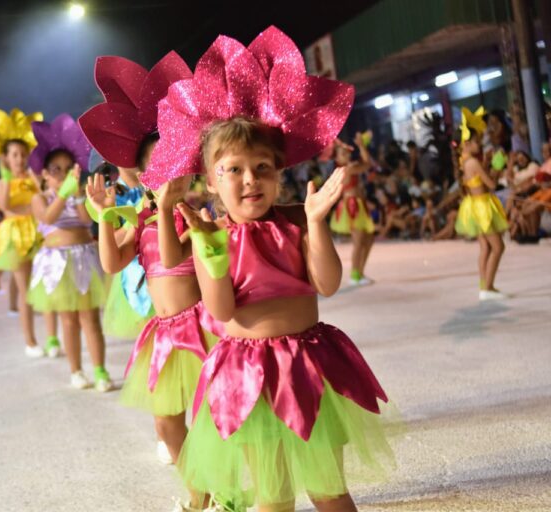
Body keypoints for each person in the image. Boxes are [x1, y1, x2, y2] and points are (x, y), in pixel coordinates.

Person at [141, 27, 394, 512]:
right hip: (246, 371)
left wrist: (317, 224)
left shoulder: (298, 220)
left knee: (330, 491)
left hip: (308, 362)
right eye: (232, 169)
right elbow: (218, 308)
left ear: (280, 173)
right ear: (211, 181)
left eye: (262, 167)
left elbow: (328, 283)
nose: (249, 179)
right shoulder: (214, 237)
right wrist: (207, 251)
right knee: (272, 495)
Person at [81, 52, 214, 463]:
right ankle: (198, 485)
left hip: (199, 328)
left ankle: (215, 492)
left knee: (209, 414)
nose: (165, 174)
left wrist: (166, 208)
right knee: (165, 423)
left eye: (172, 163)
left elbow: (174, 260)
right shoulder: (139, 220)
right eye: (155, 167)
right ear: (141, 175)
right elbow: (112, 263)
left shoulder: (197, 215)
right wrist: (105, 216)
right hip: (163, 331)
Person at [26, 114, 112, 391]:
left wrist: (74, 195)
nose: (63, 173)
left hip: (83, 258)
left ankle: (100, 371)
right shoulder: (39, 199)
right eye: (56, 169)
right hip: (56, 263)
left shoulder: (79, 195)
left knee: (90, 318)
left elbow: (87, 221)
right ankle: (76, 370)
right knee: (68, 319)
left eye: (67, 168)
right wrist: (62, 193)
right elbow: (48, 218)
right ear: (45, 173)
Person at [0, 139, 44, 356]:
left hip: (39, 232)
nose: (20, 159)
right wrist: (6, 177)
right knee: (26, 290)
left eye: (23, 154)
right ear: (5, 157)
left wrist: (33, 174)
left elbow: (44, 195)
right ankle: (30, 341)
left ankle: (51, 337)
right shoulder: (0, 184)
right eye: (14, 154)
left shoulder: (34, 177)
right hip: (15, 236)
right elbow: (5, 207)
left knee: (46, 283)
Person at [455, 108, 509, 301]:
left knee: (486, 247)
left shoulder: (465, 161)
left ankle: (484, 284)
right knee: (498, 247)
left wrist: (486, 163)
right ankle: (488, 287)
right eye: (478, 141)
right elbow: (492, 185)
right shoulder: (473, 163)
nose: (481, 144)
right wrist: (497, 167)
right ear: (468, 143)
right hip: (482, 207)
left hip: (475, 205)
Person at [329, 134, 374, 285]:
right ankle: (355, 275)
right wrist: (361, 145)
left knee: (368, 239)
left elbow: (366, 164)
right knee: (359, 241)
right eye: (343, 153)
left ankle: (360, 272)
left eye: (348, 152)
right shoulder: (346, 169)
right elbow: (367, 164)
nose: (347, 155)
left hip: (359, 204)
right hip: (351, 206)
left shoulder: (350, 167)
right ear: (337, 158)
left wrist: (361, 146)